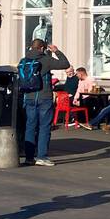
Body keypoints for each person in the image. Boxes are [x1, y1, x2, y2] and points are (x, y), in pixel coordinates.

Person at [21, 37, 71, 167]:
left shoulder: (24, 60)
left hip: (29, 97)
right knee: (44, 127)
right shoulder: (46, 60)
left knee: (30, 127)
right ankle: (42, 156)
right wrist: (56, 51)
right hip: (44, 97)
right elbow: (65, 64)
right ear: (42, 48)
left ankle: (29, 157)